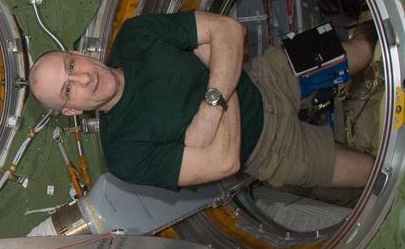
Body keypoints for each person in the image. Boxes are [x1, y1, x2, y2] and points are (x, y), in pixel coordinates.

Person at [27, 10, 375, 191]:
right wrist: (219, 68)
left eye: (71, 66)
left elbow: (229, 29)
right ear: (71, 110)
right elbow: (224, 163)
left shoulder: (136, 35)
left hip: (267, 77)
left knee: (365, 50)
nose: (84, 78)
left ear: (77, 54)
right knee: (371, 174)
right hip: (272, 152)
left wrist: (212, 106)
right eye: (68, 89)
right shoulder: (123, 154)